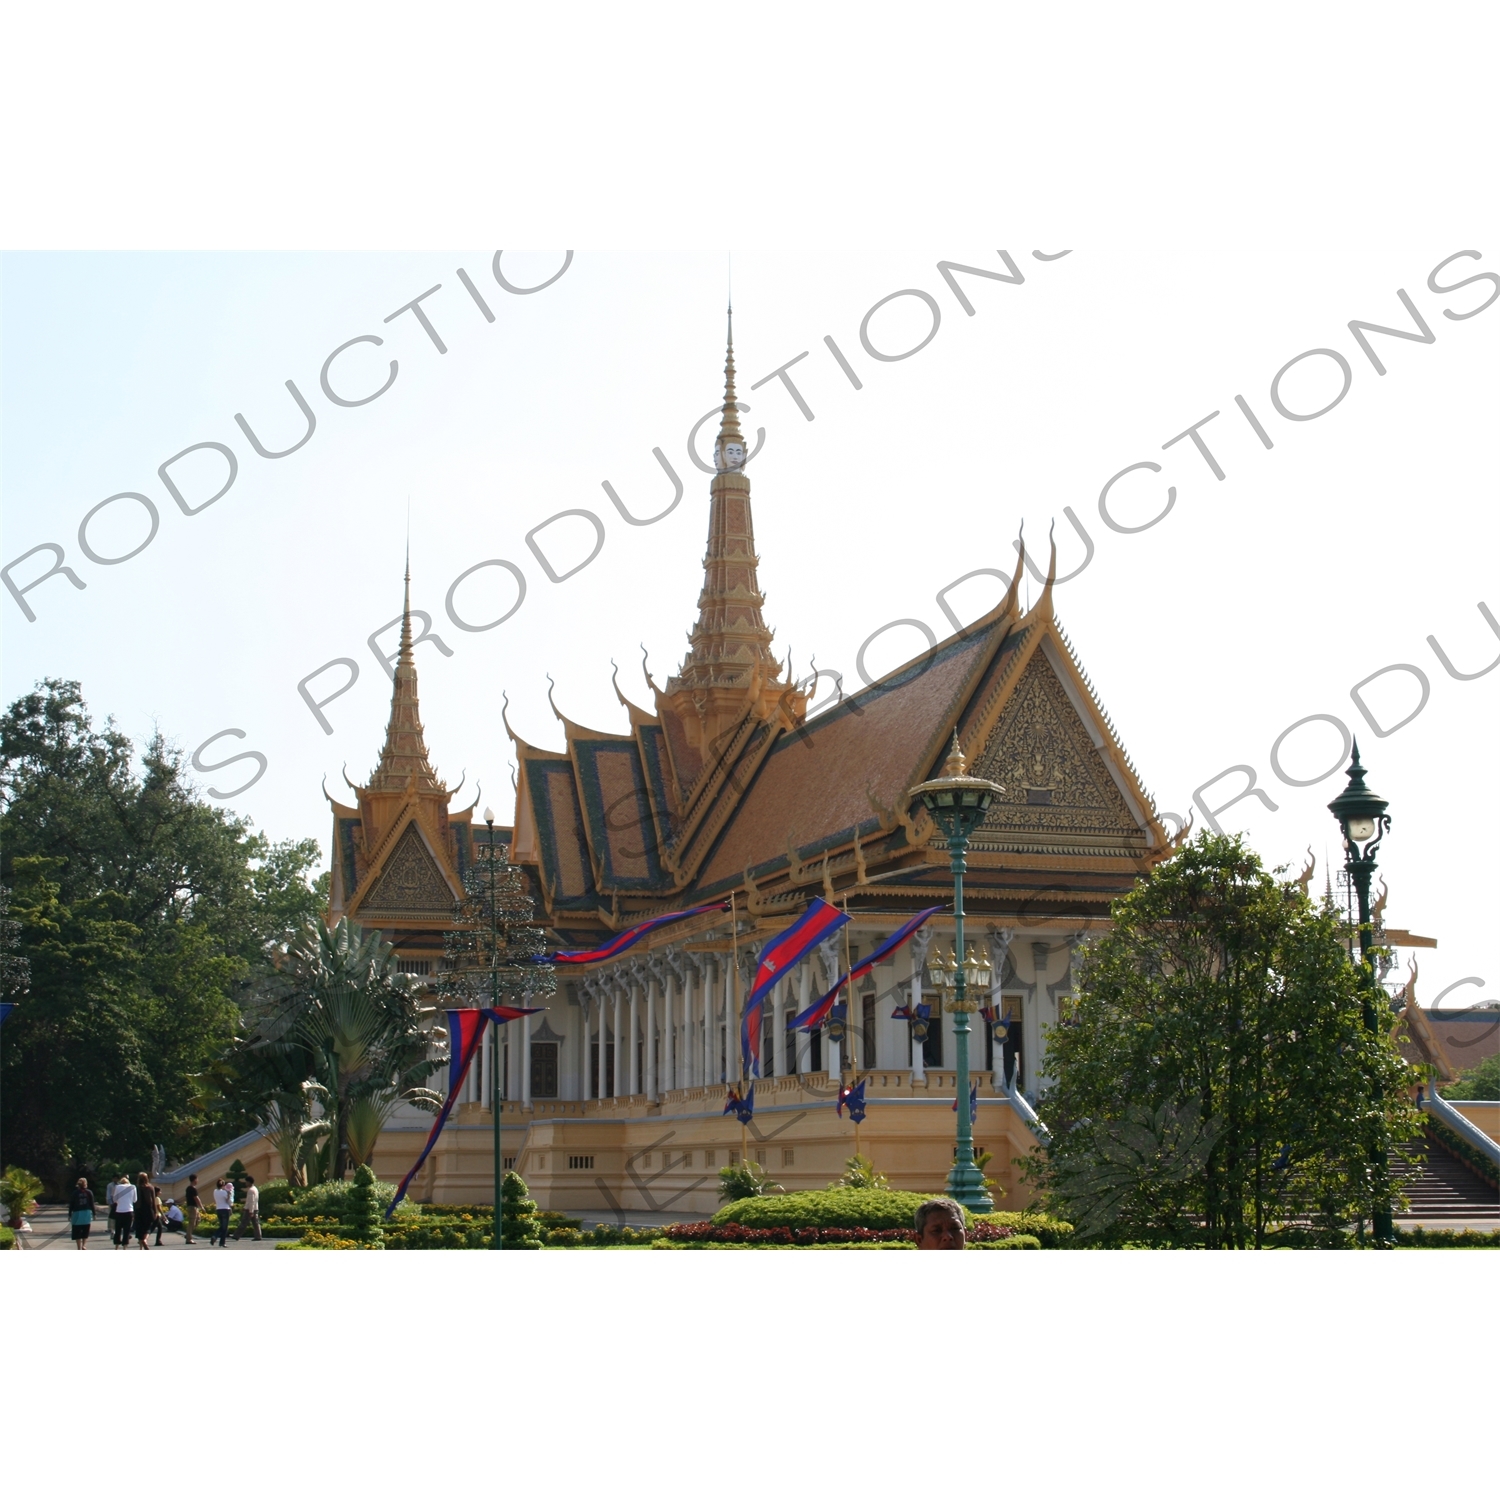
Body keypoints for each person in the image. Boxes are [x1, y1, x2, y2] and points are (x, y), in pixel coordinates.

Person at [68, 1177, 96, 1250]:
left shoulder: (75, 1193)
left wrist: (69, 1214)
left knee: (77, 1231)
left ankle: (78, 1247)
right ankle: (84, 1245)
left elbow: (71, 1204)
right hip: (86, 1213)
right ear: (85, 1184)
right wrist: (94, 1214)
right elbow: (92, 1204)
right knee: (85, 1230)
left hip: (77, 1213)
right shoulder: (89, 1192)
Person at [133, 1171, 158, 1249]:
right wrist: (155, 1212)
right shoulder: (150, 1187)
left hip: (138, 1210)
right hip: (148, 1210)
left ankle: (141, 1247)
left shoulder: (136, 1188)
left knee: (139, 1229)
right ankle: (145, 1240)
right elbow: (153, 1201)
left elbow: (134, 1200)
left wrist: (133, 1211)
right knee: (148, 1228)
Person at [112, 1174, 136, 1249]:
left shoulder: (117, 1187)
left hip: (119, 1211)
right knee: (127, 1230)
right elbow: (135, 1200)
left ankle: (116, 1246)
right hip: (129, 1211)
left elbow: (114, 1199)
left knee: (118, 1229)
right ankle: (125, 1247)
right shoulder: (133, 1187)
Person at [234, 1175, 261, 1241]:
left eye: (246, 1182)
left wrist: (250, 1211)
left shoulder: (251, 1190)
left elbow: (251, 1201)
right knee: (256, 1223)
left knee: (244, 1223)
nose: (246, 1183)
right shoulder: (255, 1189)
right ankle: (258, 1236)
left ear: (249, 1182)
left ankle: (236, 1235)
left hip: (250, 1209)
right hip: (255, 1208)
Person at [210, 1178, 234, 1246]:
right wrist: (229, 1194)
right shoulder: (224, 1192)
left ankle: (218, 1239)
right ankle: (220, 1241)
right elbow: (228, 1201)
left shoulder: (215, 1191)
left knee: (222, 1226)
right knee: (224, 1227)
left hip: (218, 1209)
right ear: (223, 1185)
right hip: (225, 1209)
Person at [183, 1174, 202, 1243]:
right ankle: (189, 1239)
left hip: (194, 1207)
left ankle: (188, 1234)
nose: (198, 1180)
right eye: (197, 1179)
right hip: (192, 1207)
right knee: (192, 1223)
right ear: (194, 1180)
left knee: (198, 1219)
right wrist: (202, 1207)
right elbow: (196, 1198)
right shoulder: (192, 1189)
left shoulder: (189, 1188)